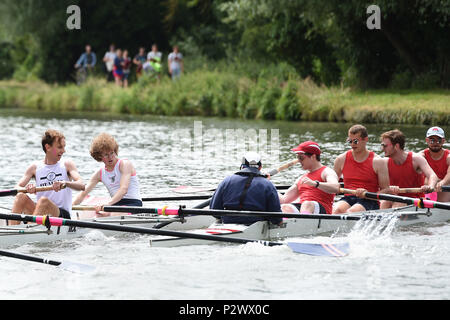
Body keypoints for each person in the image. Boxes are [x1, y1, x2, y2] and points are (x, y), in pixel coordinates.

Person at [9, 130, 85, 225]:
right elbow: (16, 188)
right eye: (60, 147)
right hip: (41, 212)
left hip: (61, 215)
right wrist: (27, 189)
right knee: (20, 196)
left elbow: (82, 185)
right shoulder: (34, 167)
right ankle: (13, 230)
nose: (64, 151)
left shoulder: (67, 165)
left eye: (64, 147)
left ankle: (26, 232)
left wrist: (66, 183)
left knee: (43, 201)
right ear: (48, 147)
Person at [73, 133, 142, 215]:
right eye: (106, 154)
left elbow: (123, 189)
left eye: (112, 153)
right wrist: (69, 205)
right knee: (93, 214)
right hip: (114, 205)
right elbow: (83, 194)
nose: (110, 157)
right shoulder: (99, 173)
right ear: (99, 156)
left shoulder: (125, 164)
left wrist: (108, 203)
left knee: (110, 214)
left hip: (133, 204)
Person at [210, 152, 282, 225]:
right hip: (256, 225)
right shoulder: (267, 184)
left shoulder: (226, 181)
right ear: (260, 167)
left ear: (242, 166)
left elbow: (214, 210)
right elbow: (277, 218)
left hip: (228, 222)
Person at [333, 124, 390, 213]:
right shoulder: (340, 159)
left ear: (365, 139)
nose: (352, 144)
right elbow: (332, 184)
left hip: (370, 200)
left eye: (355, 141)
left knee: (352, 212)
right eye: (349, 141)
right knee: (337, 209)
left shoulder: (378, 161)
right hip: (348, 197)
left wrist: (368, 194)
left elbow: (386, 189)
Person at [379, 129, 438, 208]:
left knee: (398, 204)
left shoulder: (416, 159)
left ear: (396, 146)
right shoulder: (384, 162)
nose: (382, 149)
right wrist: (388, 189)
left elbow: (432, 175)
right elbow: (379, 188)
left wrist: (430, 187)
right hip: (394, 199)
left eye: (385, 146)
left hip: (416, 201)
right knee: (384, 203)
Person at [279, 141, 340, 214]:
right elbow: (284, 200)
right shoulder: (302, 178)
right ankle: (289, 224)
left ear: (313, 156)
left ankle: (302, 222)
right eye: (298, 157)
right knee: (285, 207)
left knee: (307, 204)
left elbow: (336, 188)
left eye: (301, 157)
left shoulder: (326, 171)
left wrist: (315, 184)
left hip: (322, 211)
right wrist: (268, 184)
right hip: (304, 209)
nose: (299, 161)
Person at [420, 126, 450, 202]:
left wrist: (441, 183)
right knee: (427, 181)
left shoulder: (448, 156)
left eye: (439, 141)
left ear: (443, 141)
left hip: (444, 186)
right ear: (427, 140)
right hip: (426, 186)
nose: (435, 143)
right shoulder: (421, 156)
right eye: (432, 141)